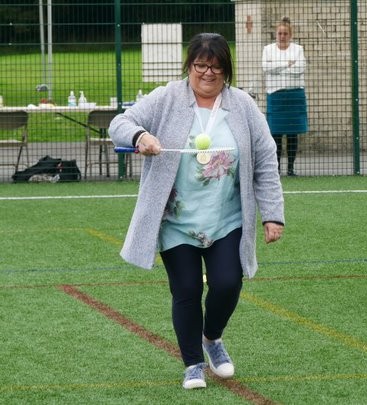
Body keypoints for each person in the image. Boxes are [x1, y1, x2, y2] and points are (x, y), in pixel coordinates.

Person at [109, 33, 285, 389]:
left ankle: (212, 338)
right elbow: (119, 123)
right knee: (186, 289)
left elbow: (265, 158)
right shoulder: (167, 98)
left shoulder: (243, 106)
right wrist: (141, 136)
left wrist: (272, 213)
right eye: (200, 66)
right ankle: (192, 363)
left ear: (226, 72)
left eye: (216, 69)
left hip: (226, 218)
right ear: (189, 66)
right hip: (176, 220)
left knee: (228, 283)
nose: (207, 74)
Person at [262, 16, 308, 176]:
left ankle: (290, 168)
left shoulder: (298, 49)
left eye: (285, 33)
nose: (282, 36)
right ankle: (277, 168)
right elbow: (266, 68)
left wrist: (278, 67)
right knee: (275, 134)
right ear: (276, 34)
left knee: (292, 134)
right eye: (280, 33)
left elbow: (300, 69)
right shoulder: (268, 49)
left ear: (290, 34)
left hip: (295, 95)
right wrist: (287, 64)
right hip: (276, 96)